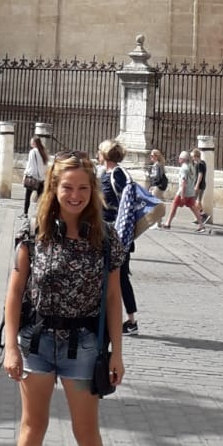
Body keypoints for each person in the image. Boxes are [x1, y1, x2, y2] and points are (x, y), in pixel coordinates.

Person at [3, 152, 125, 446]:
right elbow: (15, 292)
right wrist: (10, 347)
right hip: (36, 342)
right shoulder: (33, 231)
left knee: (86, 431)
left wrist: (117, 352)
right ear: (53, 189)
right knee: (32, 426)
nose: (75, 195)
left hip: (83, 345)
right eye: (67, 187)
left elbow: (113, 297)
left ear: (93, 191)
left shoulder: (105, 237)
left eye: (83, 188)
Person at [98, 139, 138, 335]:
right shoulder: (105, 174)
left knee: (120, 277)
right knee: (112, 276)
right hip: (105, 234)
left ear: (104, 154)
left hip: (116, 236)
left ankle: (131, 321)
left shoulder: (117, 175)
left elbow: (125, 206)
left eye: (99, 151)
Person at [162, 150, 201, 229]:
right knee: (193, 208)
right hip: (191, 192)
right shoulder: (192, 167)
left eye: (180, 158)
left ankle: (168, 223)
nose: (178, 159)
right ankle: (201, 224)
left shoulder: (184, 169)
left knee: (174, 206)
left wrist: (182, 195)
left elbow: (183, 182)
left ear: (183, 159)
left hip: (182, 192)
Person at [23, 135, 48, 216]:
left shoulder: (33, 152)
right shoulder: (43, 152)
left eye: (31, 141)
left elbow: (30, 165)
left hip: (33, 177)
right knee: (41, 198)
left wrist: (25, 174)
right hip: (42, 179)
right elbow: (45, 166)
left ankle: (25, 213)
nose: (30, 143)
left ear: (34, 143)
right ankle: (41, 214)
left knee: (28, 196)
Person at [191, 145, 211, 227]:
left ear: (196, 156)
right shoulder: (203, 163)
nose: (192, 159)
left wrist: (196, 185)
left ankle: (203, 215)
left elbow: (200, 175)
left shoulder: (199, 164)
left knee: (195, 201)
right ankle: (200, 216)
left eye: (193, 157)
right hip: (202, 185)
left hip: (199, 185)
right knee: (197, 201)